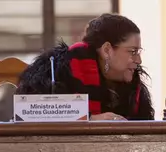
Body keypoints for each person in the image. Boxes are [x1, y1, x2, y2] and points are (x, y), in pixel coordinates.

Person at [17, 13, 154, 121]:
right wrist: (89, 119)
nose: (139, 60)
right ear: (107, 50)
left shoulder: (134, 88)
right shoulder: (55, 71)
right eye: (133, 52)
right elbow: (30, 113)